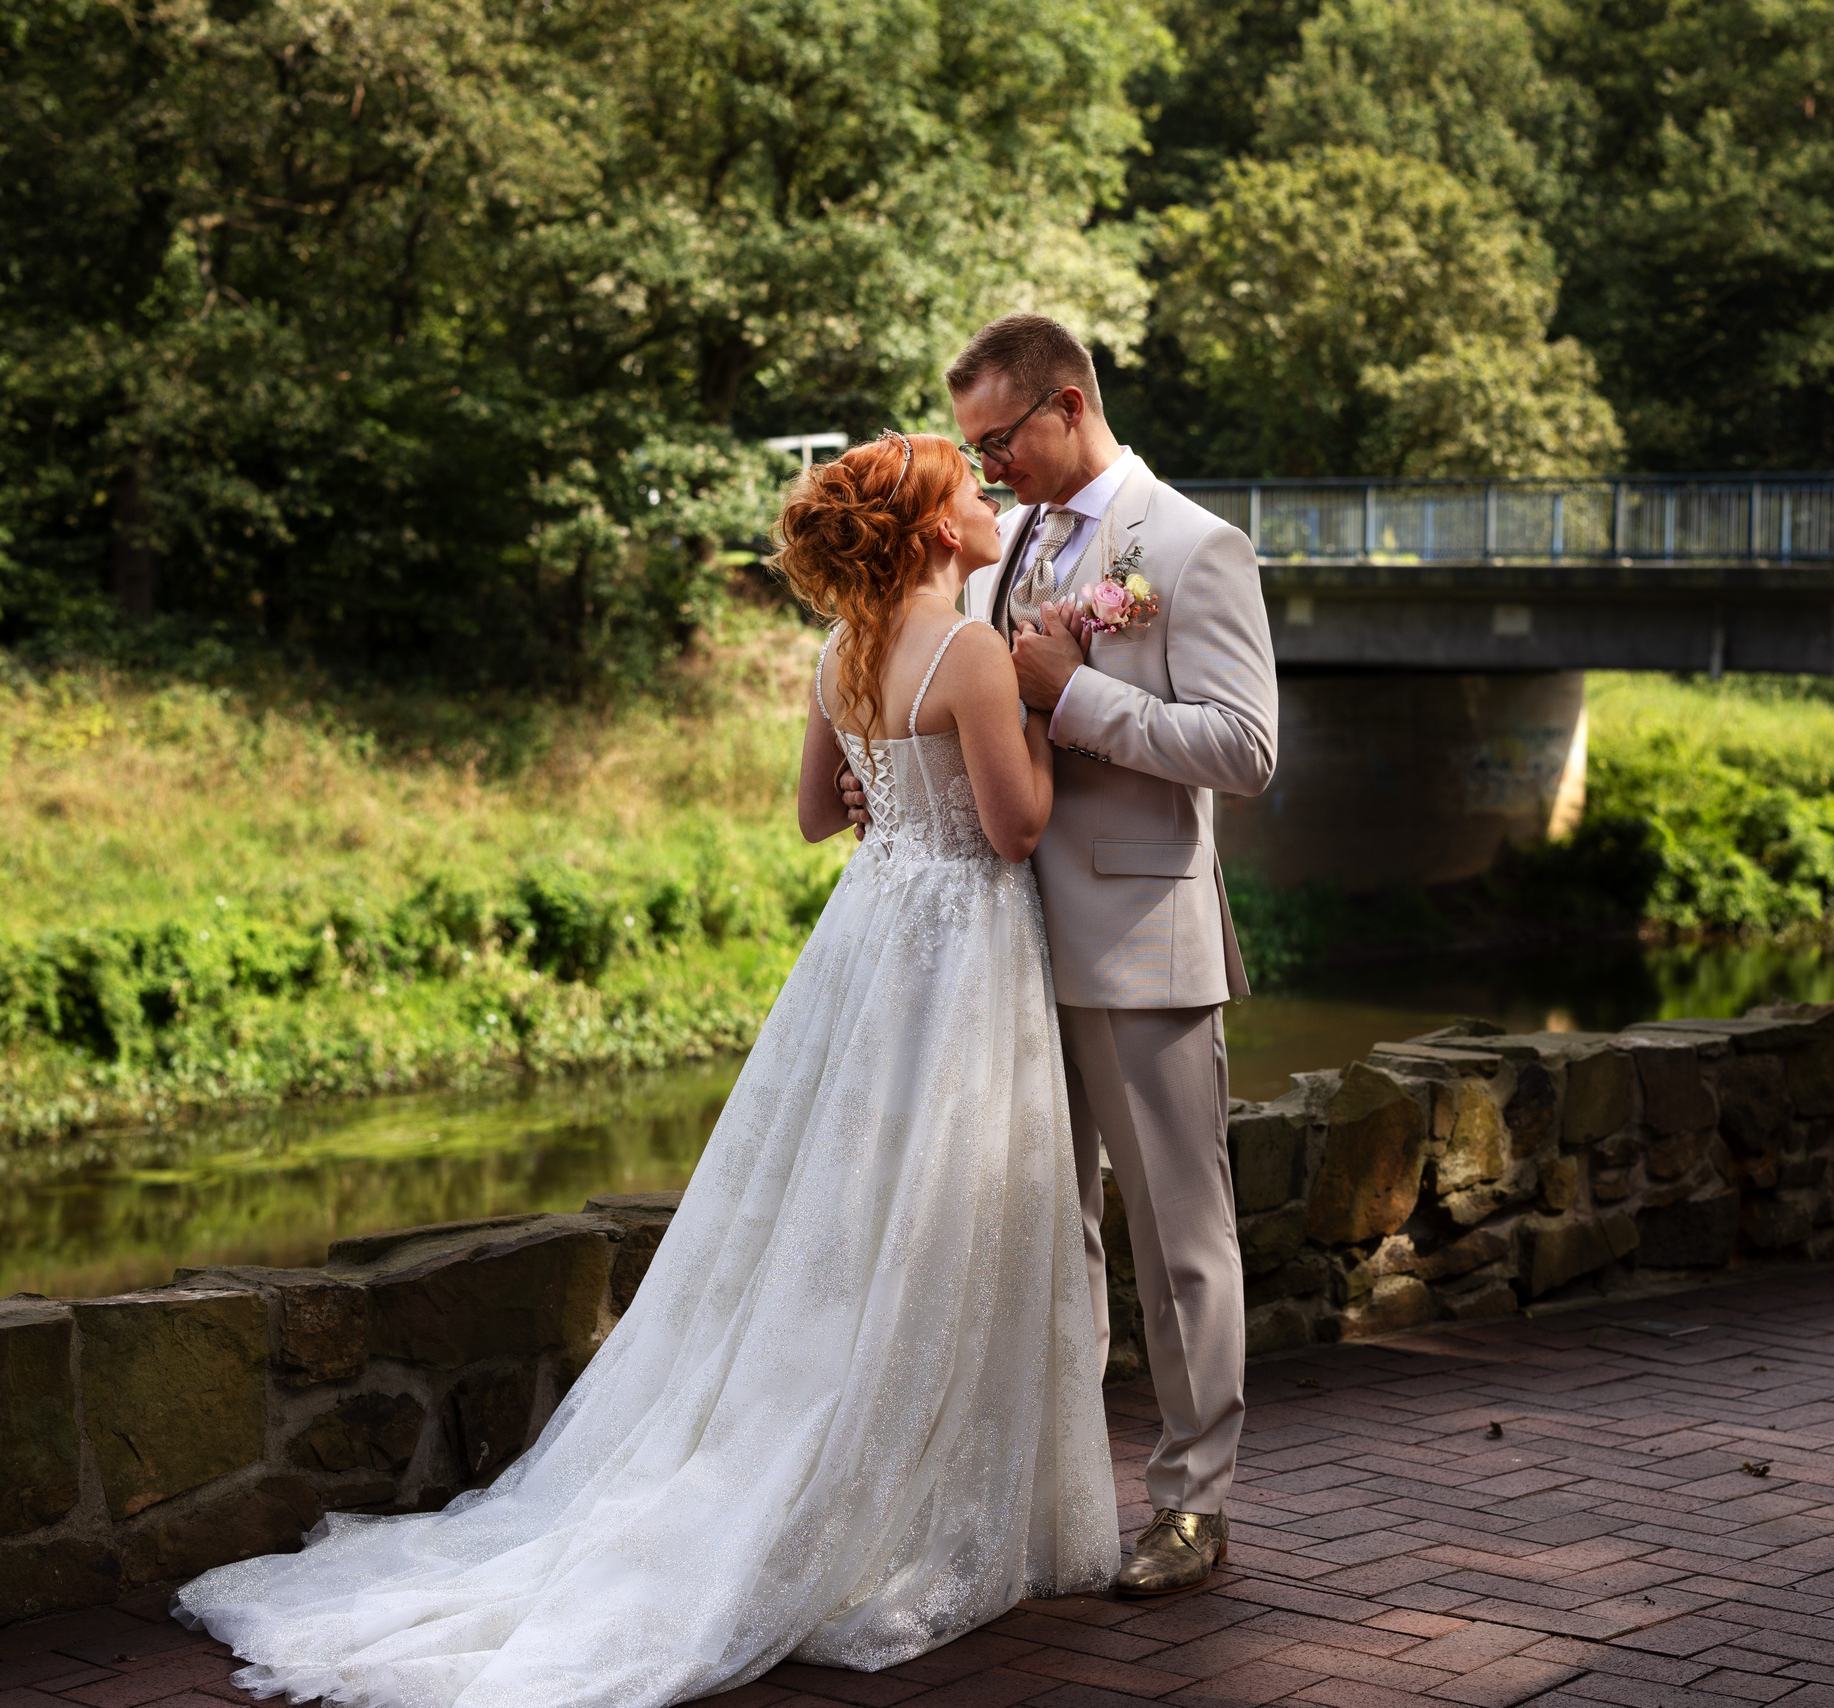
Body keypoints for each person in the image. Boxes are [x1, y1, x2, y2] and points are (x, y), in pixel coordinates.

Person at [174, 431, 1117, 1708]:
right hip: (957, 947)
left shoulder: (837, 653)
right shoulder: (972, 654)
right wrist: (1051, 710)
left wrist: (900, 789)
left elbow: (811, 816)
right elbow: (1014, 830)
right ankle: (893, 1487)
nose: (989, 496)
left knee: (843, 1204)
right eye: (971, 487)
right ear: (939, 531)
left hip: (870, 939)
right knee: (938, 1205)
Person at [844, 314, 1278, 1596]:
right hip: (1004, 948)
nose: (987, 475)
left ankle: (1193, 1507)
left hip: (1142, 942)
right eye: (971, 451)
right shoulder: (1001, 551)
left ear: (1069, 402)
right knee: (1051, 1239)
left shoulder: (1192, 546)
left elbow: (1246, 751)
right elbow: (972, 708)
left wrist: (1074, 696)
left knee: (1179, 1239)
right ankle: (1063, 1496)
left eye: (1000, 441)